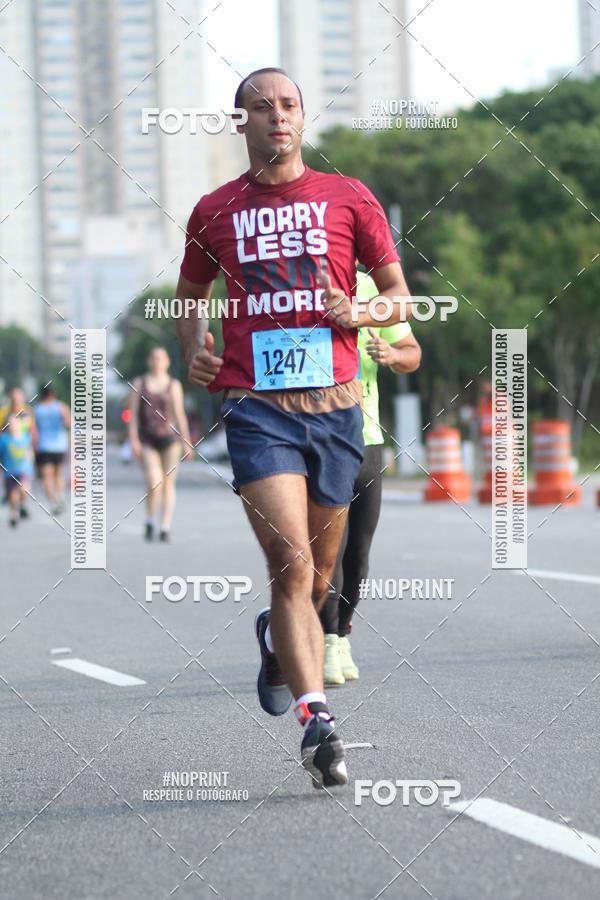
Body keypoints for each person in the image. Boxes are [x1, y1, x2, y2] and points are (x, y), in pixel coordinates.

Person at [175, 67, 411, 788]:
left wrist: (360, 313)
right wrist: (195, 349)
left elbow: (399, 296)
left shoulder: (349, 197)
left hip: (338, 407)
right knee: (294, 566)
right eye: (260, 108)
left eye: (288, 106)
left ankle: (279, 647)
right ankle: (318, 723)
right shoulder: (215, 210)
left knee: (319, 580)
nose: (276, 117)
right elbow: (190, 292)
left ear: (302, 119)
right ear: (240, 123)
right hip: (256, 409)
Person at [320, 270, 422, 685]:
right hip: (321, 440)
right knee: (330, 549)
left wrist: (393, 357)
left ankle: (342, 632)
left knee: (358, 554)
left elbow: (411, 351)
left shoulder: (372, 290)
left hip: (368, 438)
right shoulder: (297, 282)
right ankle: (327, 642)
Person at [127, 347, 192, 542]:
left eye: (161, 358)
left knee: (169, 484)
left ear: (167, 362)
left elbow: (180, 415)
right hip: (147, 438)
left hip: (170, 439)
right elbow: (132, 417)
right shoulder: (140, 383)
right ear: (149, 361)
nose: (158, 361)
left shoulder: (173, 385)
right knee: (154, 483)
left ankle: (165, 526)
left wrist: (187, 441)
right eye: (154, 357)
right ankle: (149, 519)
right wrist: (133, 440)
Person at [0, 387, 37, 517]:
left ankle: (23, 504)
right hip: (7, 451)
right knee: (11, 485)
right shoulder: (3, 413)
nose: (16, 400)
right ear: (10, 399)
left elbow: (32, 431)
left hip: (23, 451)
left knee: (23, 484)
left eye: (19, 397)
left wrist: (32, 449)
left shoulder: (28, 412)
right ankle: (13, 509)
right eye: (14, 398)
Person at [34, 385, 70, 515]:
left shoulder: (37, 409)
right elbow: (69, 424)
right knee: (58, 474)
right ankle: (60, 497)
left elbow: (34, 430)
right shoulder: (61, 407)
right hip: (59, 445)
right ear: (53, 394)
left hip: (44, 446)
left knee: (46, 476)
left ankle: (54, 501)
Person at [0, 414, 34, 527]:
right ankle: (14, 514)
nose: (12, 425)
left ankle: (23, 505)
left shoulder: (25, 436)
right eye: (10, 423)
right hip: (9, 471)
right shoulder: (4, 439)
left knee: (24, 489)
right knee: (13, 495)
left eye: (14, 423)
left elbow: (29, 450)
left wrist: (30, 460)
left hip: (23, 469)